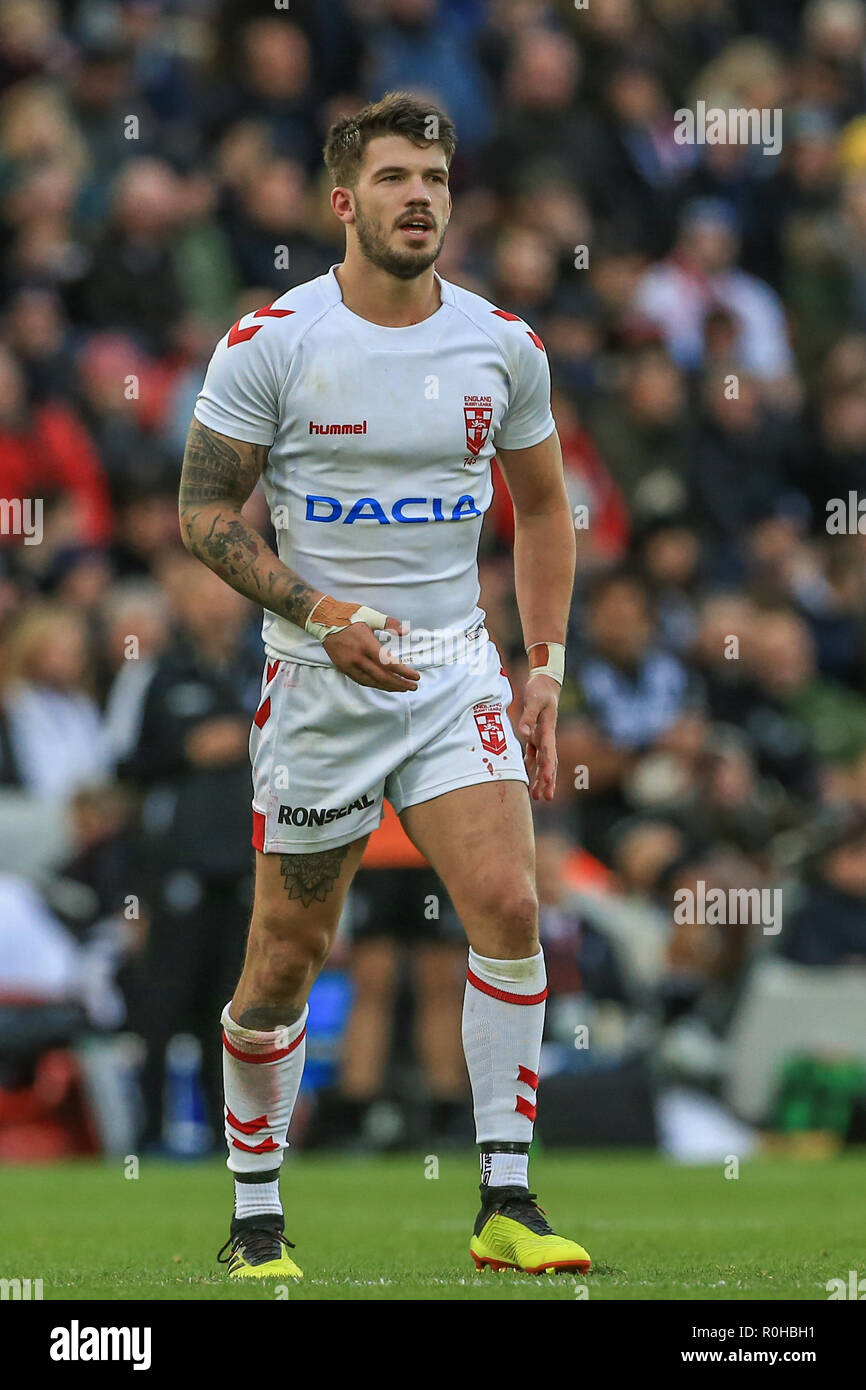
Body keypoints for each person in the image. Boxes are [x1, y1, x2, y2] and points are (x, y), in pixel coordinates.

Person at [178, 92, 588, 1280]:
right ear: (344, 202)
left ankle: (504, 1200)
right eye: (398, 177)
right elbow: (204, 511)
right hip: (318, 682)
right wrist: (315, 611)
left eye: (437, 178)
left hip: (453, 667)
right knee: (284, 962)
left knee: (510, 903)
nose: (421, 196)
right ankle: (257, 1218)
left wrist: (543, 662)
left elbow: (546, 506)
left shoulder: (501, 343)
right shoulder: (275, 343)